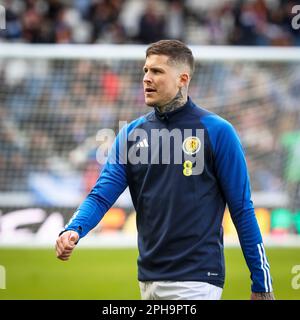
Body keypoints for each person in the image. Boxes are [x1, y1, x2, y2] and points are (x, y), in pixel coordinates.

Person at [55, 39, 274, 300]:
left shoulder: (218, 132)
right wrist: (74, 228)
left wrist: (261, 281)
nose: (147, 78)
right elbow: (101, 195)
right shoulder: (131, 134)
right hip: (147, 279)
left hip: (197, 279)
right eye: (146, 70)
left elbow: (241, 208)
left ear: (183, 78)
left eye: (157, 71)